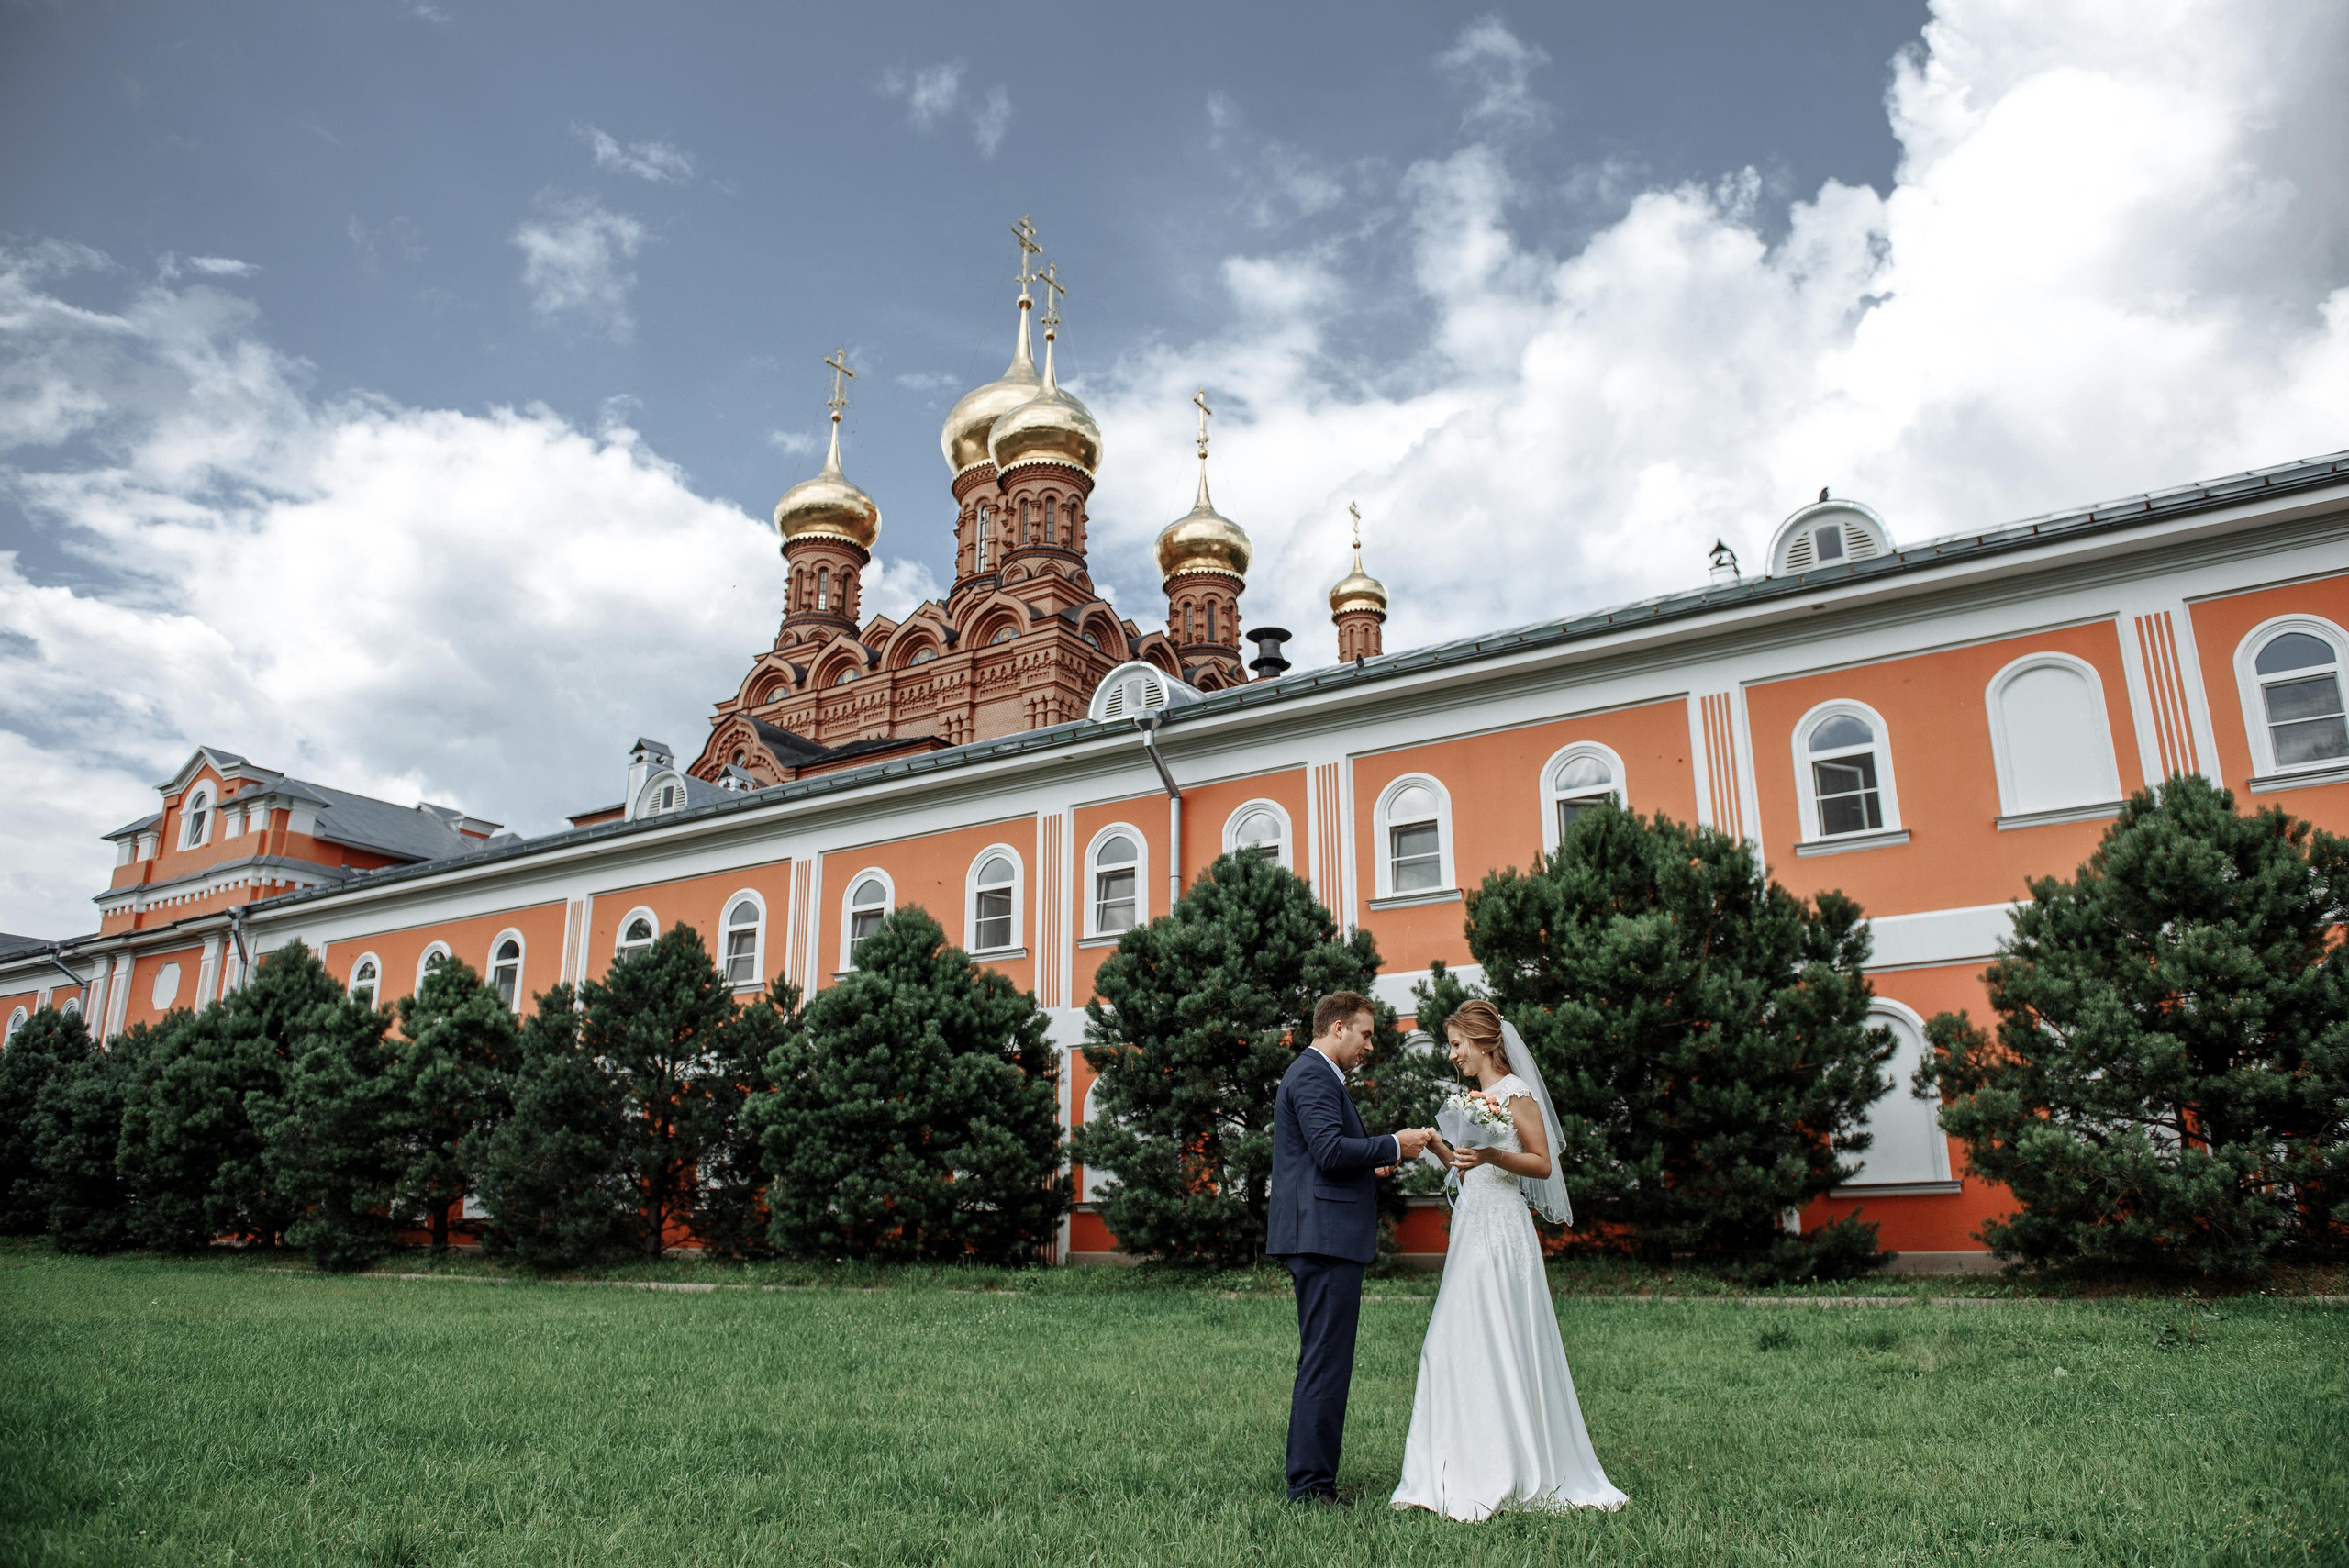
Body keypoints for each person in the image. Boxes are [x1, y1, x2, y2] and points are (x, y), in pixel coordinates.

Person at [1391, 998, 1628, 1519]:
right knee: (1452, 1343)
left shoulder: (1515, 1094)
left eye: (1456, 1044)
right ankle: (1446, 1469)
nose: (1452, 1055)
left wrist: (1496, 1155)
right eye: (1451, 1045)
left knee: (1497, 1336)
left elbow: (1542, 1164)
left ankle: (1508, 1466)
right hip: (1473, 1227)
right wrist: (1438, 1148)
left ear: (1484, 1042)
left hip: (1503, 1231)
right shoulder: (1474, 1098)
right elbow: (1465, 1164)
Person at [1266, 990, 1434, 1506]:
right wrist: (1392, 1145)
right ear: (1337, 1028)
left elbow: (1329, 1154)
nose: (1368, 1045)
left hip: (1320, 1235)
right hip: (1323, 1239)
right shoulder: (1314, 1074)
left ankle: (1310, 1478)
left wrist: (1372, 1161)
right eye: (1364, 1034)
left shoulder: (1314, 1074)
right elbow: (1330, 1149)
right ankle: (1312, 1488)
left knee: (1322, 1358)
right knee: (1326, 1361)